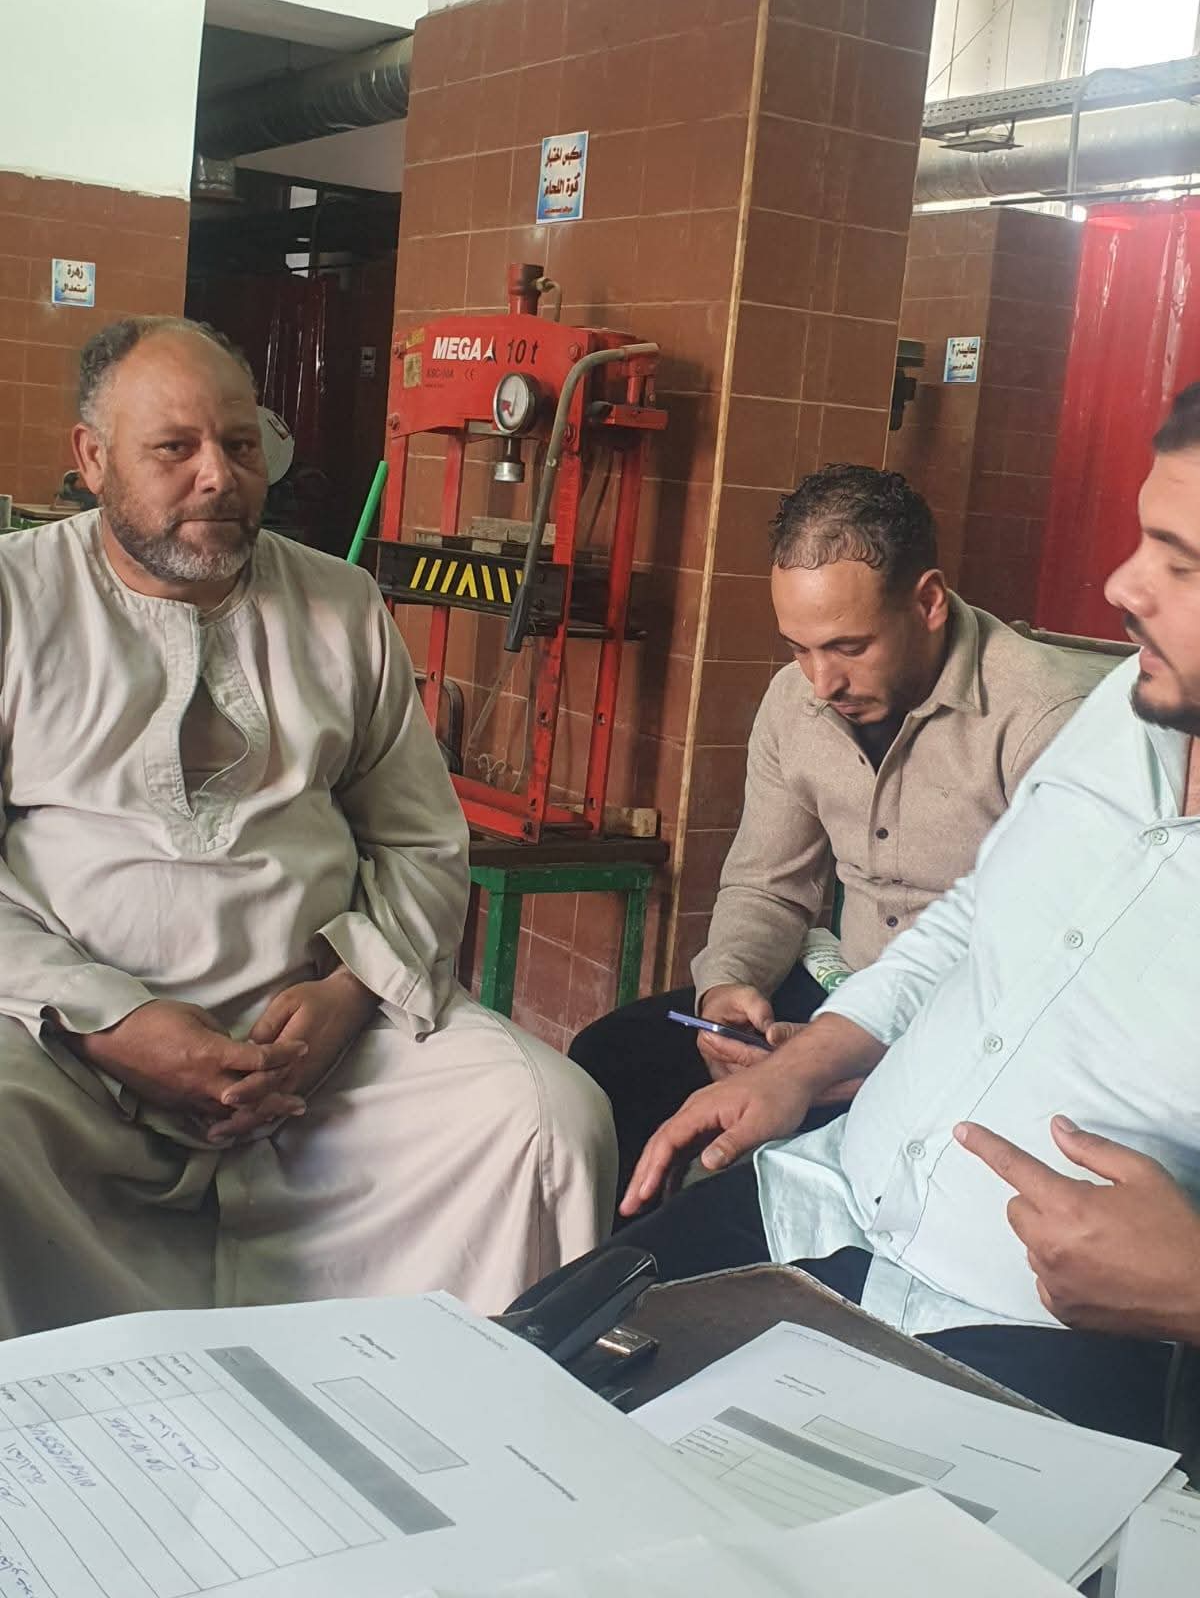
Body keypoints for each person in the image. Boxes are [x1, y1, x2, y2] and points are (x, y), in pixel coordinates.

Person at [606, 386, 1200, 1444]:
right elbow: (976, 916)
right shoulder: (1133, 708)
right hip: (831, 1198)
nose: (1121, 585)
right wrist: (804, 1063)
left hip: (1023, 1318)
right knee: (537, 1376)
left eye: (1182, 562)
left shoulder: (1045, 702)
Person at [0, 315, 617, 1335]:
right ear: (92, 457)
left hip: (327, 1062)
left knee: (547, 1120)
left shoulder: (342, 603)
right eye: (175, 448)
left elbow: (420, 840)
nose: (218, 476)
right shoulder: (17, 600)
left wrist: (349, 993)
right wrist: (108, 1018)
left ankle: (466, 1422)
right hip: (67, 1056)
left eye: (241, 445)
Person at [571, 466, 1104, 1197]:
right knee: (608, 1066)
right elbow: (769, 885)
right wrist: (727, 989)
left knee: (753, 1183)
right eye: (799, 647)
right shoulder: (794, 702)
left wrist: (840, 1056)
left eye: (849, 647)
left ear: (928, 602)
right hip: (838, 993)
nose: (822, 682)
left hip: (976, 1034)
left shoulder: (1045, 719)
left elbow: (1058, 957)